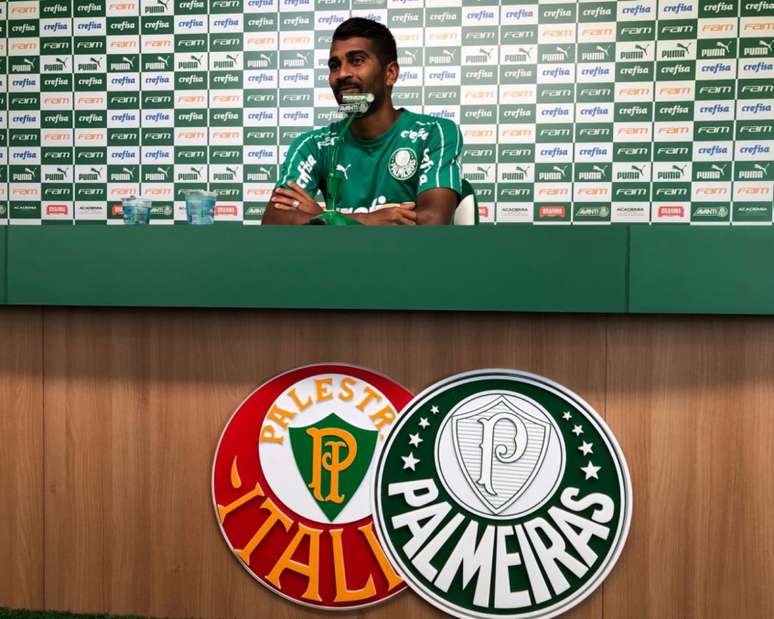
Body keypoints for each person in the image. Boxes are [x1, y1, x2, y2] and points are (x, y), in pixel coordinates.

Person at [262, 17, 463, 225]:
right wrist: (362, 220)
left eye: (356, 60)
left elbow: (433, 221)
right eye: (334, 65)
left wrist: (321, 217)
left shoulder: (434, 133)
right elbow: (274, 220)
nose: (342, 74)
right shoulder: (312, 145)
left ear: (390, 74)